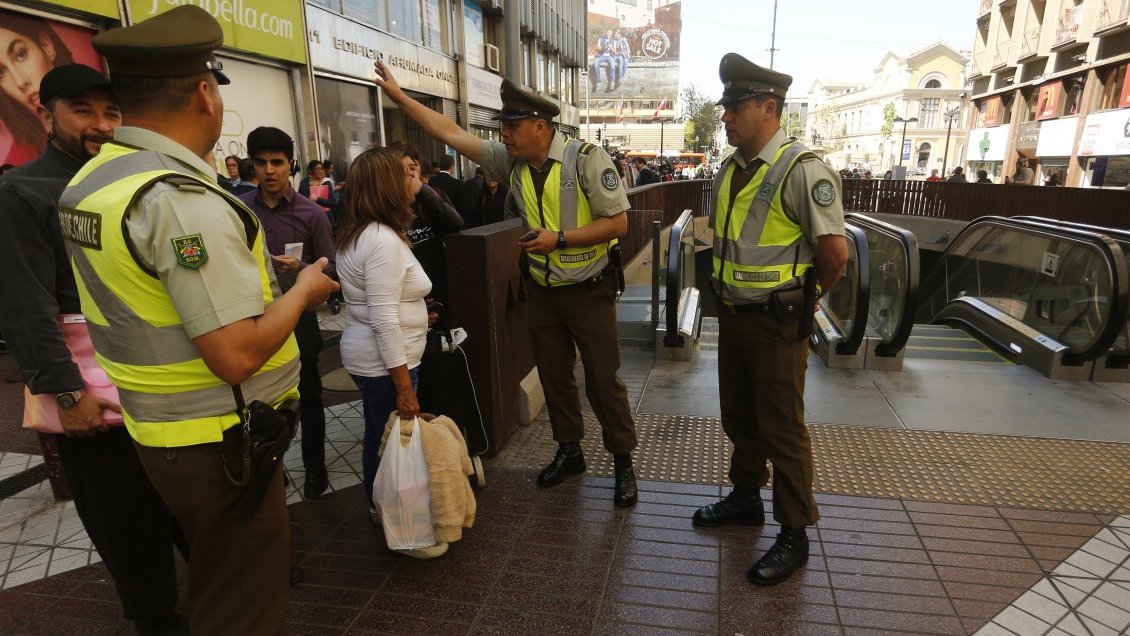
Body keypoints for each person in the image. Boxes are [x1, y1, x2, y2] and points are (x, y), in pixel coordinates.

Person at [59, 7, 338, 633]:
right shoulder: (181, 200)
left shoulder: (95, 179)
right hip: (221, 440)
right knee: (241, 607)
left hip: (160, 432)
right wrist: (303, 292)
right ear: (204, 93)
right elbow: (235, 354)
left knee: (218, 583)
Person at [373, 61, 640, 507]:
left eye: (512, 126)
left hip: (589, 291)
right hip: (542, 292)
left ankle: (622, 461)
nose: (505, 135)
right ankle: (570, 451)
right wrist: (401, 99)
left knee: (602, 380)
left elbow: (618, 223)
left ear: (540, 126)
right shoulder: (509, 162)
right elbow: (450, 133)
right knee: (554, 377)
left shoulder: (586, 159)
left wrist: (559, 239)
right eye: (503, 126)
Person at [0, 63, 188, 636]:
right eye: (83, 111)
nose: (101, 125)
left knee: (185, 490)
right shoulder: (23, 191)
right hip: (91, 388)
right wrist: (67, 393)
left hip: (158, 377)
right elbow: (25, 304)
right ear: (45, 114)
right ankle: (156, 618)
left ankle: (223, 578)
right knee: (123, 515)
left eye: (111, 112)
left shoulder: (133, 179)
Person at [695, 53, 847, 586]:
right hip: (733, 316)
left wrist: (807, 299)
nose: (726, 116)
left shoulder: (802, 170)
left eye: (736, 106)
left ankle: (795, 533)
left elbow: (835, 254)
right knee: (739, 416)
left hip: (777, 323)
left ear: (768, 107)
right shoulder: (730, 170)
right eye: (726, 107)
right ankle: (745, 497)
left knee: (782, 428)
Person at [335, 147, 431, 528]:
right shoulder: (381, 241)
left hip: (376, 361)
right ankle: (393, 515)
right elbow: (384, 320)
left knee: (379, 434)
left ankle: (382, 507)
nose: (412, 180)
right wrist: (404, 388)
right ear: (387, 186)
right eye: (404, 175)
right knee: (388, 441)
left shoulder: (362, 233)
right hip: (386, 365)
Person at [239, 126, 337, 500]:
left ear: (291, 164)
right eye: (261, 162)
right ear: (252, 165)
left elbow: (332, 273)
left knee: (309, 398)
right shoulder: (238, 211)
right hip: (252, 319)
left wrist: (303, 270)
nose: (269, 171)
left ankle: (315, 470)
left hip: (300, 319)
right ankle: (271, 472)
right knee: (258, 402)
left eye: (277, 162)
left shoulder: (312, 214)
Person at [390, 141, 463, 305]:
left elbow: (456, 223)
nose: (412, 173)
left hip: (439, 280)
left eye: (414, 166)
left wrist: (424, 193)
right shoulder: (388, 204)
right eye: (404, 169)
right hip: (409, 291)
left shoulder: (432, 194)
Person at [0, 12, 76, 165]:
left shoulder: (106, 120)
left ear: (46, 47)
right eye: (0, 73)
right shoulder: (18, 164)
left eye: (20, 55)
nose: (20, 82)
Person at [430, 154, 473, 226]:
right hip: (453, 222)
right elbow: (463, 207)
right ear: (452, 166)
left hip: (435, 222)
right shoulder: (458, 184)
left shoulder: (431, 182)